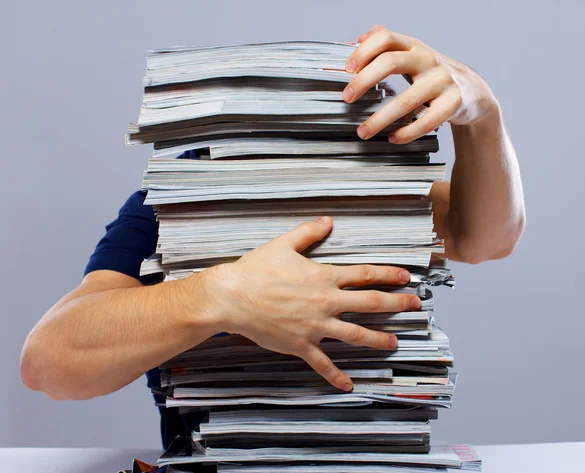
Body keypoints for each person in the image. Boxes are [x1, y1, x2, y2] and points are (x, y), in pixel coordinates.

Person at [20, 25, 525, 448]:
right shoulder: (174, 206)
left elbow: (487, 237)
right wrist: (222, 295)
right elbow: (49, 362)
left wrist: (483, 112)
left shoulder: (373, 193)